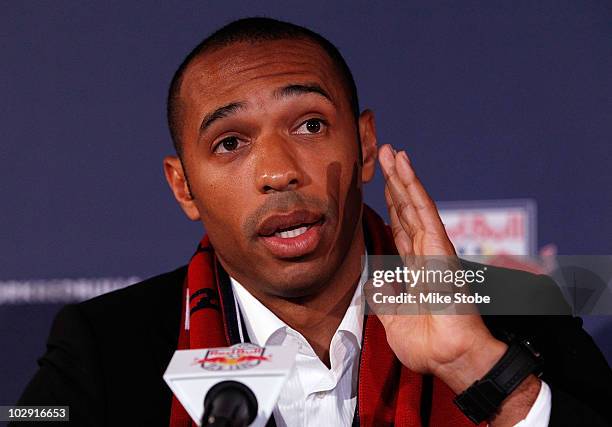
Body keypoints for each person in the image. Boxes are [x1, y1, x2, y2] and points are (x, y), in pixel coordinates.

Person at [15, 17, 612, 427]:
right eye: (229, 142)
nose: (277, 172)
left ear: (364, 141)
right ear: (183, 185)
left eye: (309, 126)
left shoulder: (515, 305)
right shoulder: (108, 343)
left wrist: (478, 370)